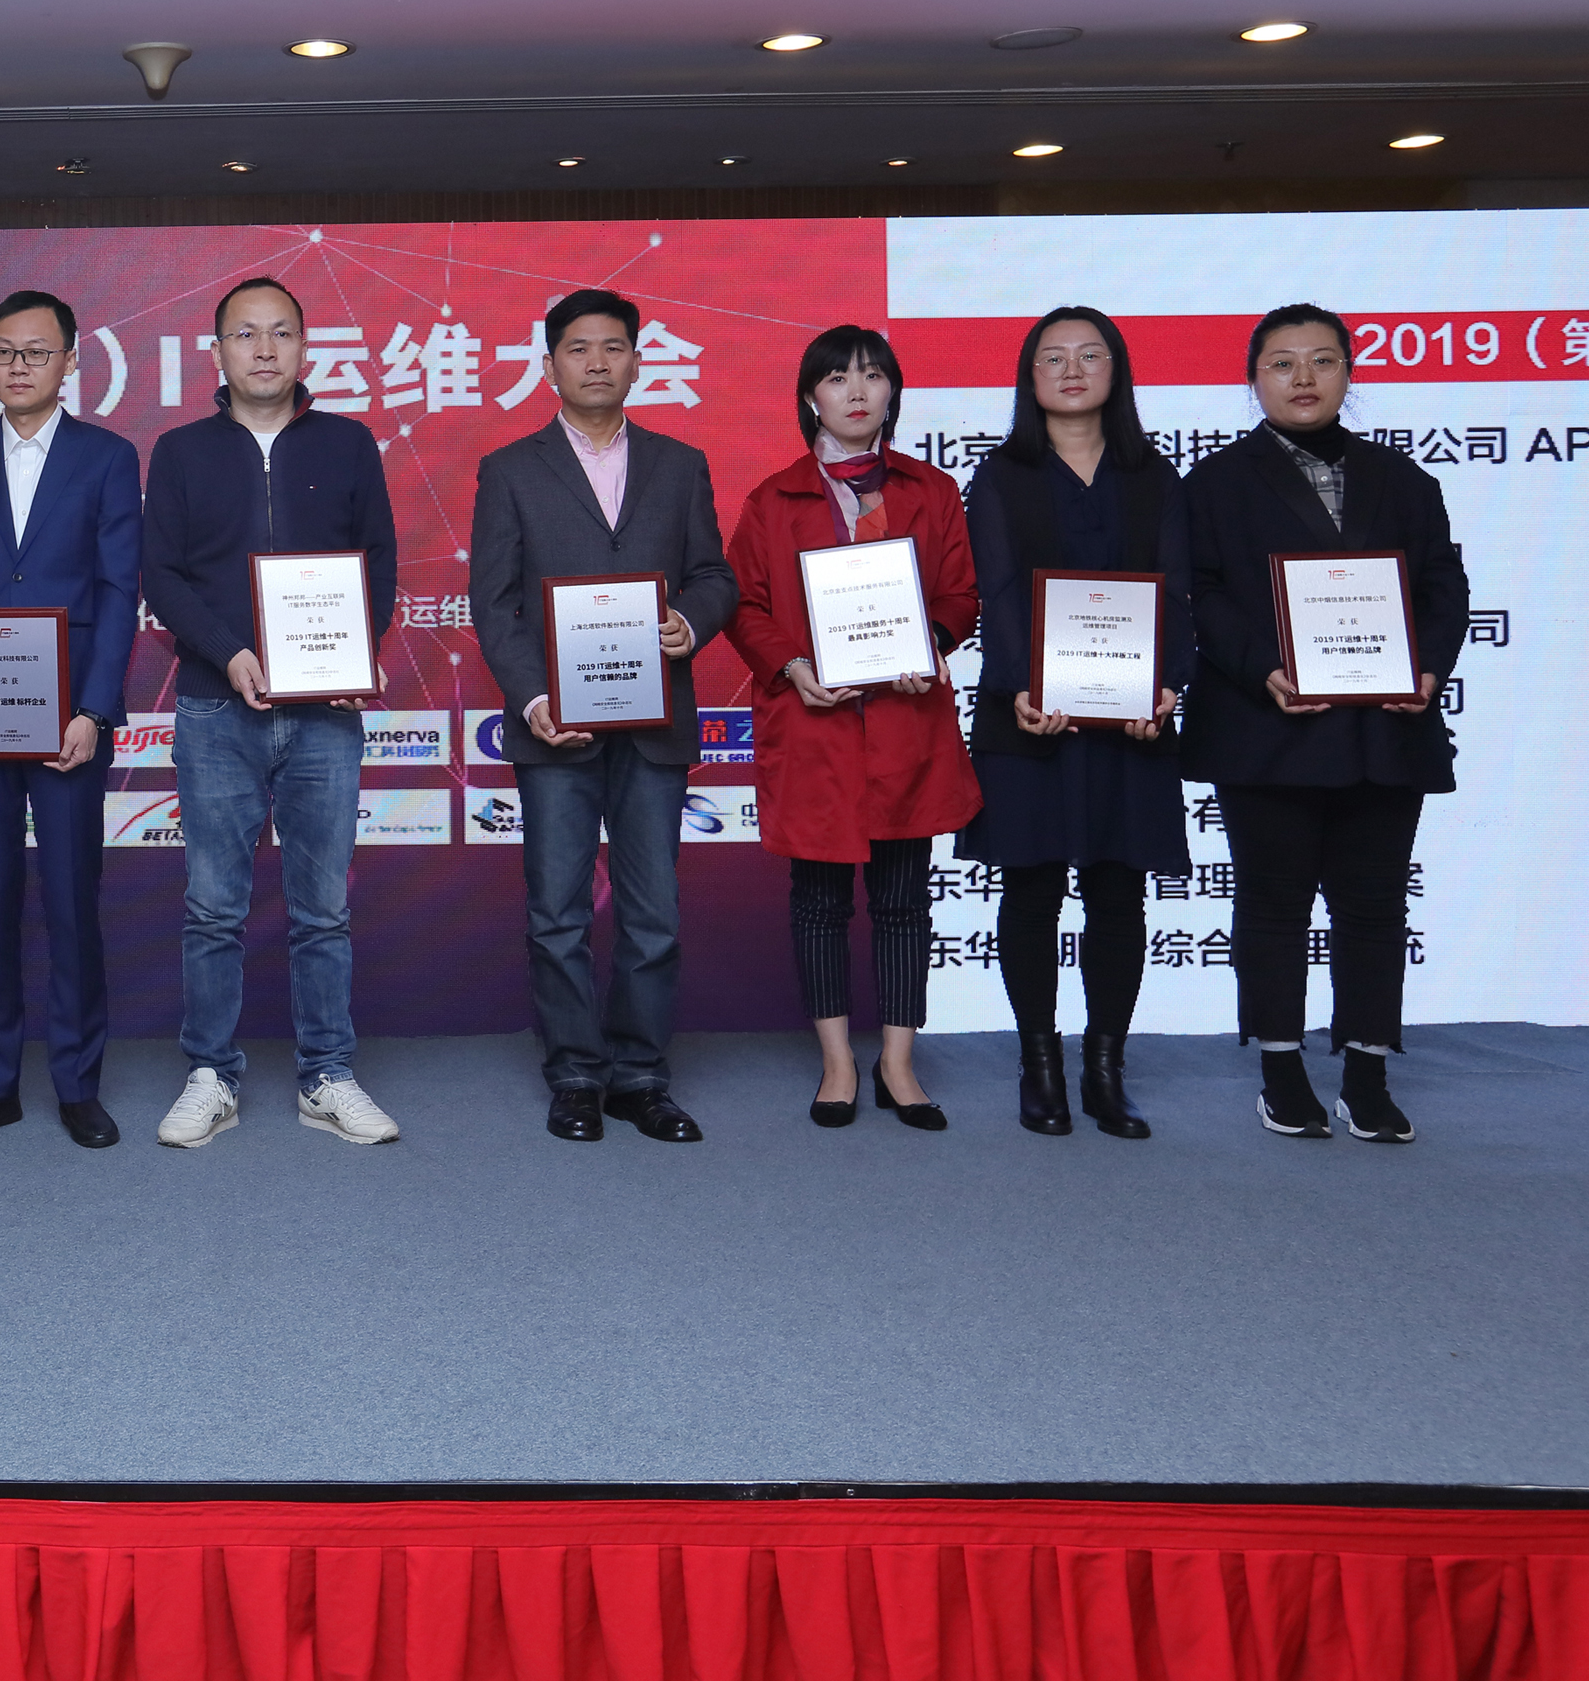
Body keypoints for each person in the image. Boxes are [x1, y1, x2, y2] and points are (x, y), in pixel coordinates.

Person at [1184, 302, 1467, 1143]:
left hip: (1385, 728)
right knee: (1273, 903)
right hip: (1267, 727)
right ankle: (1281, 1071)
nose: (1303, 377)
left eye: (1322, 360)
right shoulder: (1214, 483)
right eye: (1282, 363)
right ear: (1253, 380)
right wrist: (1262, 667)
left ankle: (1367, 1075)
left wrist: (1428, 667)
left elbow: (1443, 586)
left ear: (1349, 372)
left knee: (1373, 906)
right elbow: (1201, 593)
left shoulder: (1405, 479)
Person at [469, 288, 739, 1145]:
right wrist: (534, 699)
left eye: (613, 347)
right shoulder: (510, 468)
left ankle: (641, 1076)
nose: (597, 361)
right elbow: (494, 603)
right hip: (556, 725)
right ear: (548, 365)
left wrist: (689, 620)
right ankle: (576, 1074)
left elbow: (715, 575)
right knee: (557, 912)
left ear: (637, 360)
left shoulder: (680, 463)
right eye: (578, 348)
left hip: (654, 723)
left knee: (653, 913)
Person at [140, 276, 401, 1149]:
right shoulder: (180, 450)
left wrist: (353, 653)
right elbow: (162, 574)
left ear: (304, 346)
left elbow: (378, 561)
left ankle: (328, 1074)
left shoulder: (348, 443)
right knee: (213, 907)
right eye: (245, 334)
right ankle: (210, 1073)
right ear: (217, 351)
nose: (263, 348)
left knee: (323, 909)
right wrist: (230, 652)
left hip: (325, 712)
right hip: (216, 708)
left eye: (281, 332)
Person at [728, 325, 982, 1132]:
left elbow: (960, 594)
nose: (858, 390)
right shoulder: (773, 499)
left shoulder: (932, 490)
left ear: (893, 391)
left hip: (908, 722)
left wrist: (930, 640)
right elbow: (744, 604)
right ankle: (837, 1060)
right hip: (817, 726)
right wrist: (792, 664)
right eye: (837, 377)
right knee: (819, 901)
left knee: (905, 899)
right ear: (811, 396)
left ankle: (897, 1062)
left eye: (873, 375)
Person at [0, 290, 143, 1149]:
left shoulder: (107, 456)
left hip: (69, 720)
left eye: (37, 351)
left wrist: (95, 707)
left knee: (72, 900)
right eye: (4, 351)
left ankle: (78, 1085)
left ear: (70, 361)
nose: (19, 366)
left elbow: (118, 589)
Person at [958, 308, 1193, 1138]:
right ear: (1029, 377)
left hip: (1131, 722)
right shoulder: (1000, 475)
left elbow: (1177, 588)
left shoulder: (1154, 475)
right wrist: (1022, 686)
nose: (1071, 370)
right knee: (1031, 890)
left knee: (1118, 893)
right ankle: (1041, 1068)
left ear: (1116, 372)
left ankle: (1105, 1070)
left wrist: (1167, 685)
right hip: (1029, 717)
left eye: (1090, 355)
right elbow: (996, 591)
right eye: (1052, 357)